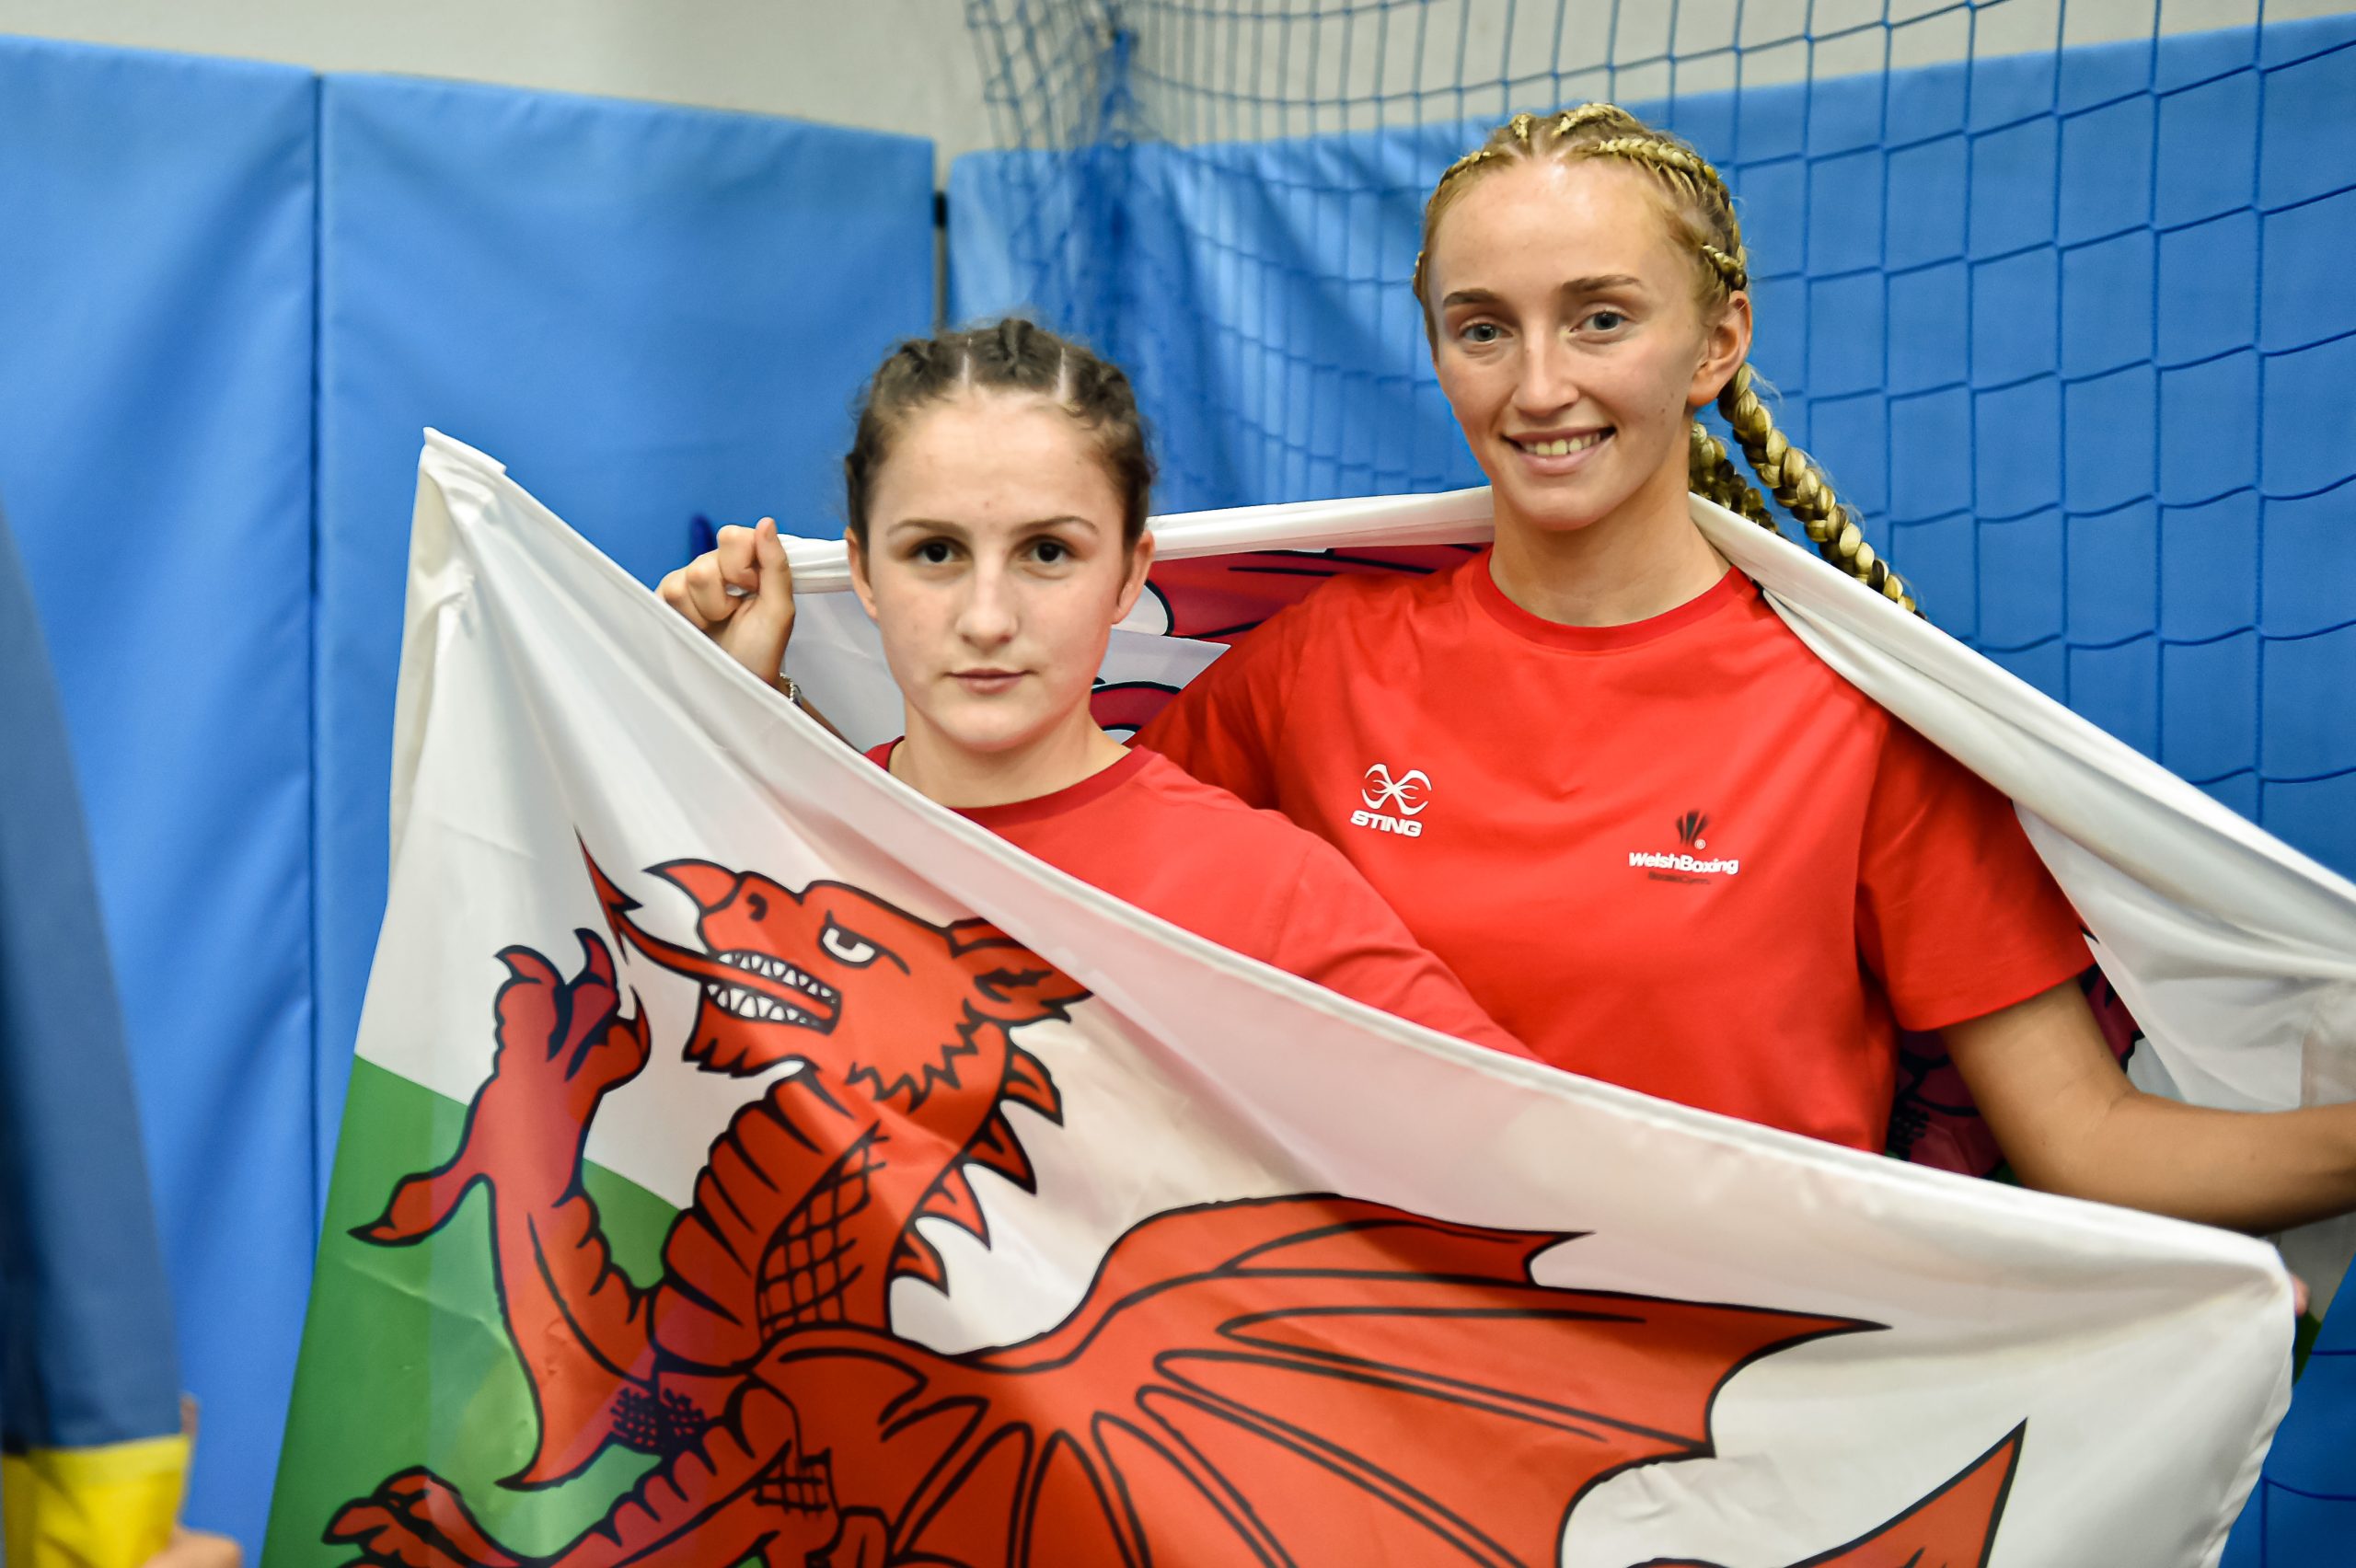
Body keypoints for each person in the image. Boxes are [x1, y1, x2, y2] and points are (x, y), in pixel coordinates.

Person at [1135, 103, 2356, 1235]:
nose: (1540, 386)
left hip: (1751, 1389)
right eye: (1484, 329)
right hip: (1387, 1368)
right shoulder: (1314, 670)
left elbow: (2089, 1143)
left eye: (1601, 318)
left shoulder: (1862, 717)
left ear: (1717, 342)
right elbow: (1080, 910)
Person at [660, 318, 1524, 1060]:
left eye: (1047, 552)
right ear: (863, 573)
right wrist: (731, 708)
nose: (987, 619)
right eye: (935, 552)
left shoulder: (1267, 893)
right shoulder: (770, 851)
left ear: (1127, 575)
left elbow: (1541, 1144)